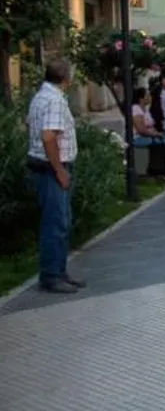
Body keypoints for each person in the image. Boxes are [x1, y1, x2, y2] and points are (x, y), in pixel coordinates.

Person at [26, 59, 84, 294]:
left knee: (60, 221)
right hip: (51, 169)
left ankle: (59, 271)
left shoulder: (41, 96)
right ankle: (51, 275)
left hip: (44, 166)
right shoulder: (54, 101)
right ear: (66, 79)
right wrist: (59, 170)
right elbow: (49, 136)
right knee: (56, 223)